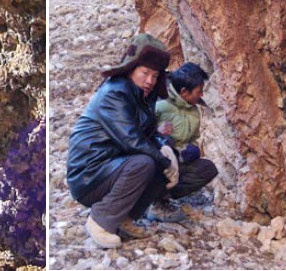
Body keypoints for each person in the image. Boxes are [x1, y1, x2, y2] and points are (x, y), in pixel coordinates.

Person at [66, 33, 180, 248]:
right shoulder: (114, 93)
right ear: (131, 68)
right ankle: (100, 220)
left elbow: (147, 134)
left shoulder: (141, 96)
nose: (150, 81)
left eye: (155, 76)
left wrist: (164, 148)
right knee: (145, 162)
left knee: (160, 156)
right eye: (145, 73)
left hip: (110, 168)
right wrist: (164, 162)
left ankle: (123, 217)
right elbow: (132, 140)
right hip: (88, 175)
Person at [148, 62, 218, 222]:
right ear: (184, 92)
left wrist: (191, 149)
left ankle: (162, 197)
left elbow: (193, 138)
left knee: (207, 168)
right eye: (198, 91)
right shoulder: (158, 103)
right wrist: (156, 130)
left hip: (177, 160)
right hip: (156, 160)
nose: (200, 95)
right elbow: (136, 132)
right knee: (160, 161)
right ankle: (152, 202)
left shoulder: (194, 111)